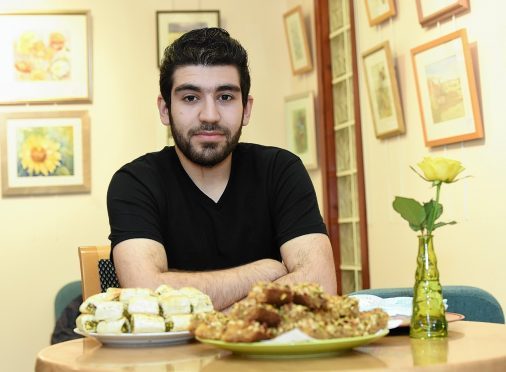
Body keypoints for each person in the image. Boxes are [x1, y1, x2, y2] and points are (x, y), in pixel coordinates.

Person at [107, 28, 336, 311]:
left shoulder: (281, 170)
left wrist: (220, 313)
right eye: (190, 98)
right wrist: (264, 273)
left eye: (225, 97)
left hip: (270, 354)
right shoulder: (135, 182)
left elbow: (321, 285)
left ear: (246, 109)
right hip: (169, 356)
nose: (210, 115)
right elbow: (147, 296)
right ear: (165, 109)